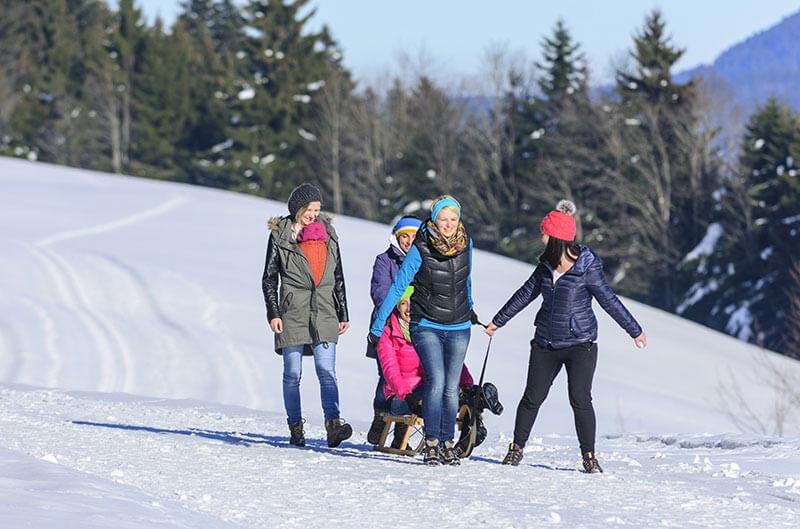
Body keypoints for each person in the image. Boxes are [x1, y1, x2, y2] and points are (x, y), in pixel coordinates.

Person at [486, 200, 647, 473]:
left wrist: (635, 330)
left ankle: (589, 457)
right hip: (545, 343)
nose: (541, 237)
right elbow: (525, 294)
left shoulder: (587, 267)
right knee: (531, 398)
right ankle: (516, 449)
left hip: (580, 345)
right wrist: (497, 321)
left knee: (580, 399)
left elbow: (608, 300)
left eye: (544, 233)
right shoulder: (545, 266)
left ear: (556, 238)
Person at [369, 195, 479, 466]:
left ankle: (447, 443)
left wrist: (471, 309)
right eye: (444, 219)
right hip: (426, 323)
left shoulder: (467, 243)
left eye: (453, 219)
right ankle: (431, 442)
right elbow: (398, 287)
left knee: (452, 388)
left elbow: (467, 280)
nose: (449, 224)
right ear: (434, 220)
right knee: (437, 381)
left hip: (458, 324)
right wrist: (379, 322)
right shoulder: (421, 245)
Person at [262, 183, 352, 448]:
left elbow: (338, 277)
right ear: (298, 208)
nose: (314, 214)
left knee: (327, 371)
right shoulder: (280, 235)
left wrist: (343, 311)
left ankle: (333, 425)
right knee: (292, 373)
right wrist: (273, 312)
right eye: (311, 209)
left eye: (318, 209)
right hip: (292, 312)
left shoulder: (329, 234)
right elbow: (269, 278)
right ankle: (295, 426)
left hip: (325, 310)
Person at [376, 286, 474, 448]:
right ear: (397, 306)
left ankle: (472, 411)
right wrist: (407, 396)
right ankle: (440, 441)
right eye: (403, 304)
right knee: (439, 391)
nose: (408, 309)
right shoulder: (388, 334)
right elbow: (390, 371)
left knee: (447, 387)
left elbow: (449, 361)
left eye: (412, 303)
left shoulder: (428, 330)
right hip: (401, 398)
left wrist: (467, 384)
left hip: (428, 390)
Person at [366, 215, 422, 444]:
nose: (408, 241)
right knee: (387, 378)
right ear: (397, 238)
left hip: (416, 328)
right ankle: (380, 415)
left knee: (414, 378)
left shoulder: (424, 261)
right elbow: (380, 291)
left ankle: (401, 432)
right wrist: (396, 310)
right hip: (388, 327)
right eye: (404, 237)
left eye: (413, 237)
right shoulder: (385, 260)